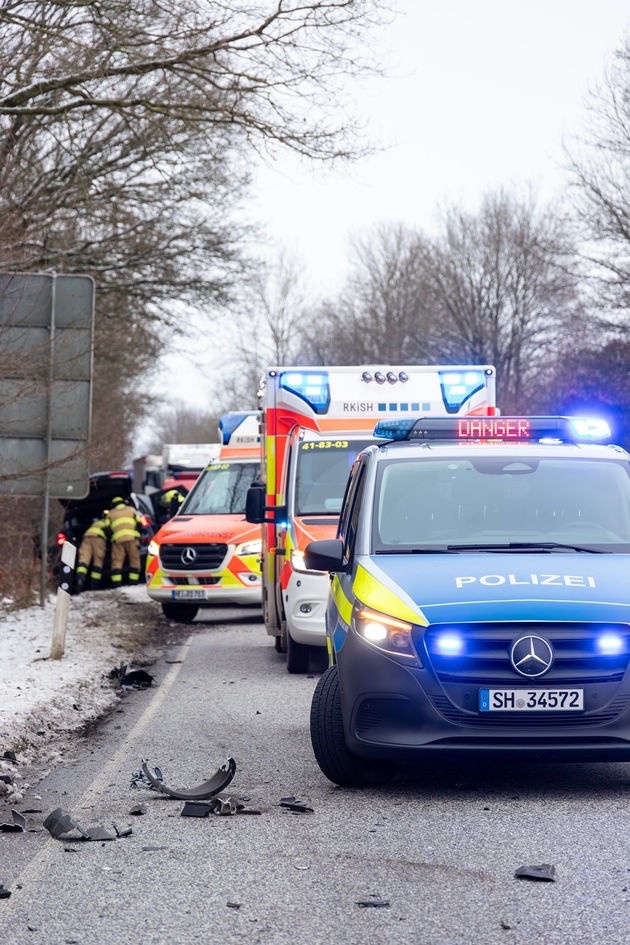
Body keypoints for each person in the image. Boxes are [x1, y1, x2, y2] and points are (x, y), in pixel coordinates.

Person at [107, 496, 143, 586]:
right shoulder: (131, 510)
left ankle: (116, 584)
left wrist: (111, 539)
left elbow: (107, 529)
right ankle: (133, 583)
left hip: (118, 540)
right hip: (132, 539)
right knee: (134, 560)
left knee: (117, 562)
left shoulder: (110, 513)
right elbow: (140, 524)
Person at [74, 516, 111, 592]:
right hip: (98, 538)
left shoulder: (95, 523)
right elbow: (108, 532)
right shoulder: (107, 521)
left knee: (83, 560)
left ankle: (80, 580)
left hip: (86, 537)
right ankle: (93, 586)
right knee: (98, 562)